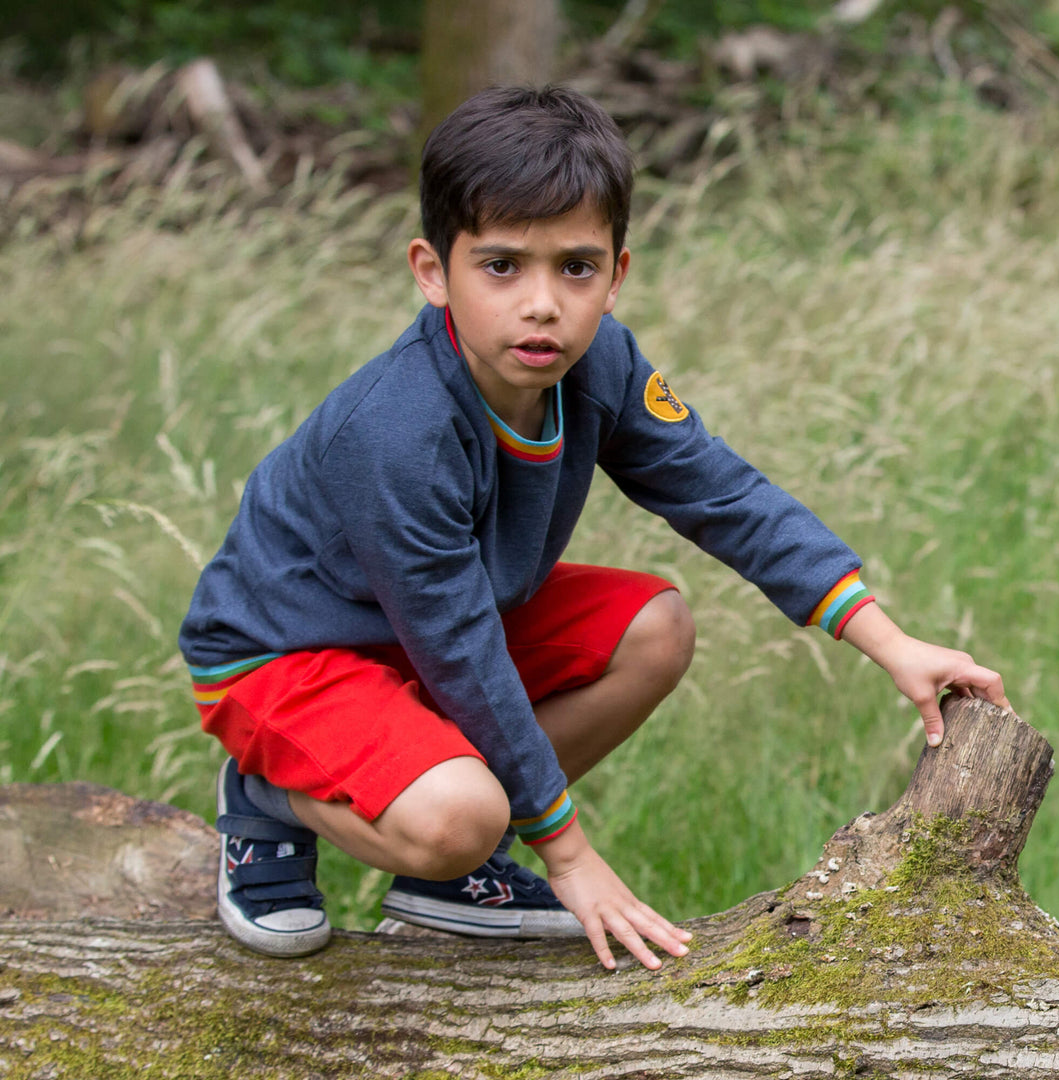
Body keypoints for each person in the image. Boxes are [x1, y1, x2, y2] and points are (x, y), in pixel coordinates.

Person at [179, 85, 1009, 972]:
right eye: (501, 266)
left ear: (616, 274)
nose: (542, 304)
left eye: (575, 267)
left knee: (657, 627)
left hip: (420, 639)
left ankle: (443, 886)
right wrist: (569, 857)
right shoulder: (396, 433)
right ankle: (271, 795)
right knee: (462, 816)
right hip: (287, 653)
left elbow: (724, 496)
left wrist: (891, 642)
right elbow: (457, 647)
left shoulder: (601, 363)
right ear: (432, 271)